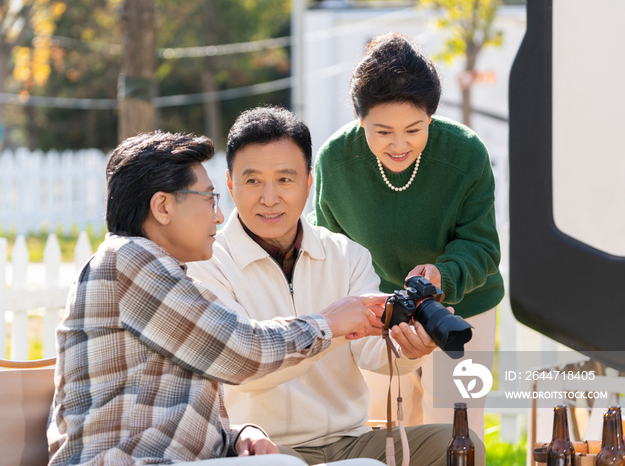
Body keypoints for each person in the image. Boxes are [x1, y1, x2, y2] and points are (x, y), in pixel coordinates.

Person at [46, 131, 390, 466]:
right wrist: (329, 323)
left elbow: (169, 411)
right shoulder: (129, 261)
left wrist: (238, 434)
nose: (219, 216)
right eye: (209, 198)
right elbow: (242, 352)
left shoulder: (155, 271)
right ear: (163, 207)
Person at [188, 106, 485, 466]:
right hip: (266, 446)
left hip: (352, 441)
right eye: (253, 181)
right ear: (231, 184)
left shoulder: (345, 254)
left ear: (309, 182)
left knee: (457, 443)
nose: (269, 198)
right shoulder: (206, 263)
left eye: (285, 179)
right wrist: (330, 325)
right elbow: (240, 370)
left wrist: (409, 350)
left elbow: (374, 351)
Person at [309, 32, 505, 441]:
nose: (399, 145)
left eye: (414, 130)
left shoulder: (465, 153)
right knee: (387, 428)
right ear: (360, 119)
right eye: (382, 132)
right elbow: (327, 247)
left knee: (456, 429)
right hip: (378, 313)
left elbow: (483, 247)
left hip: (460, 308)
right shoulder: (336, 161)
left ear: (431, 117)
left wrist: (442, 275)